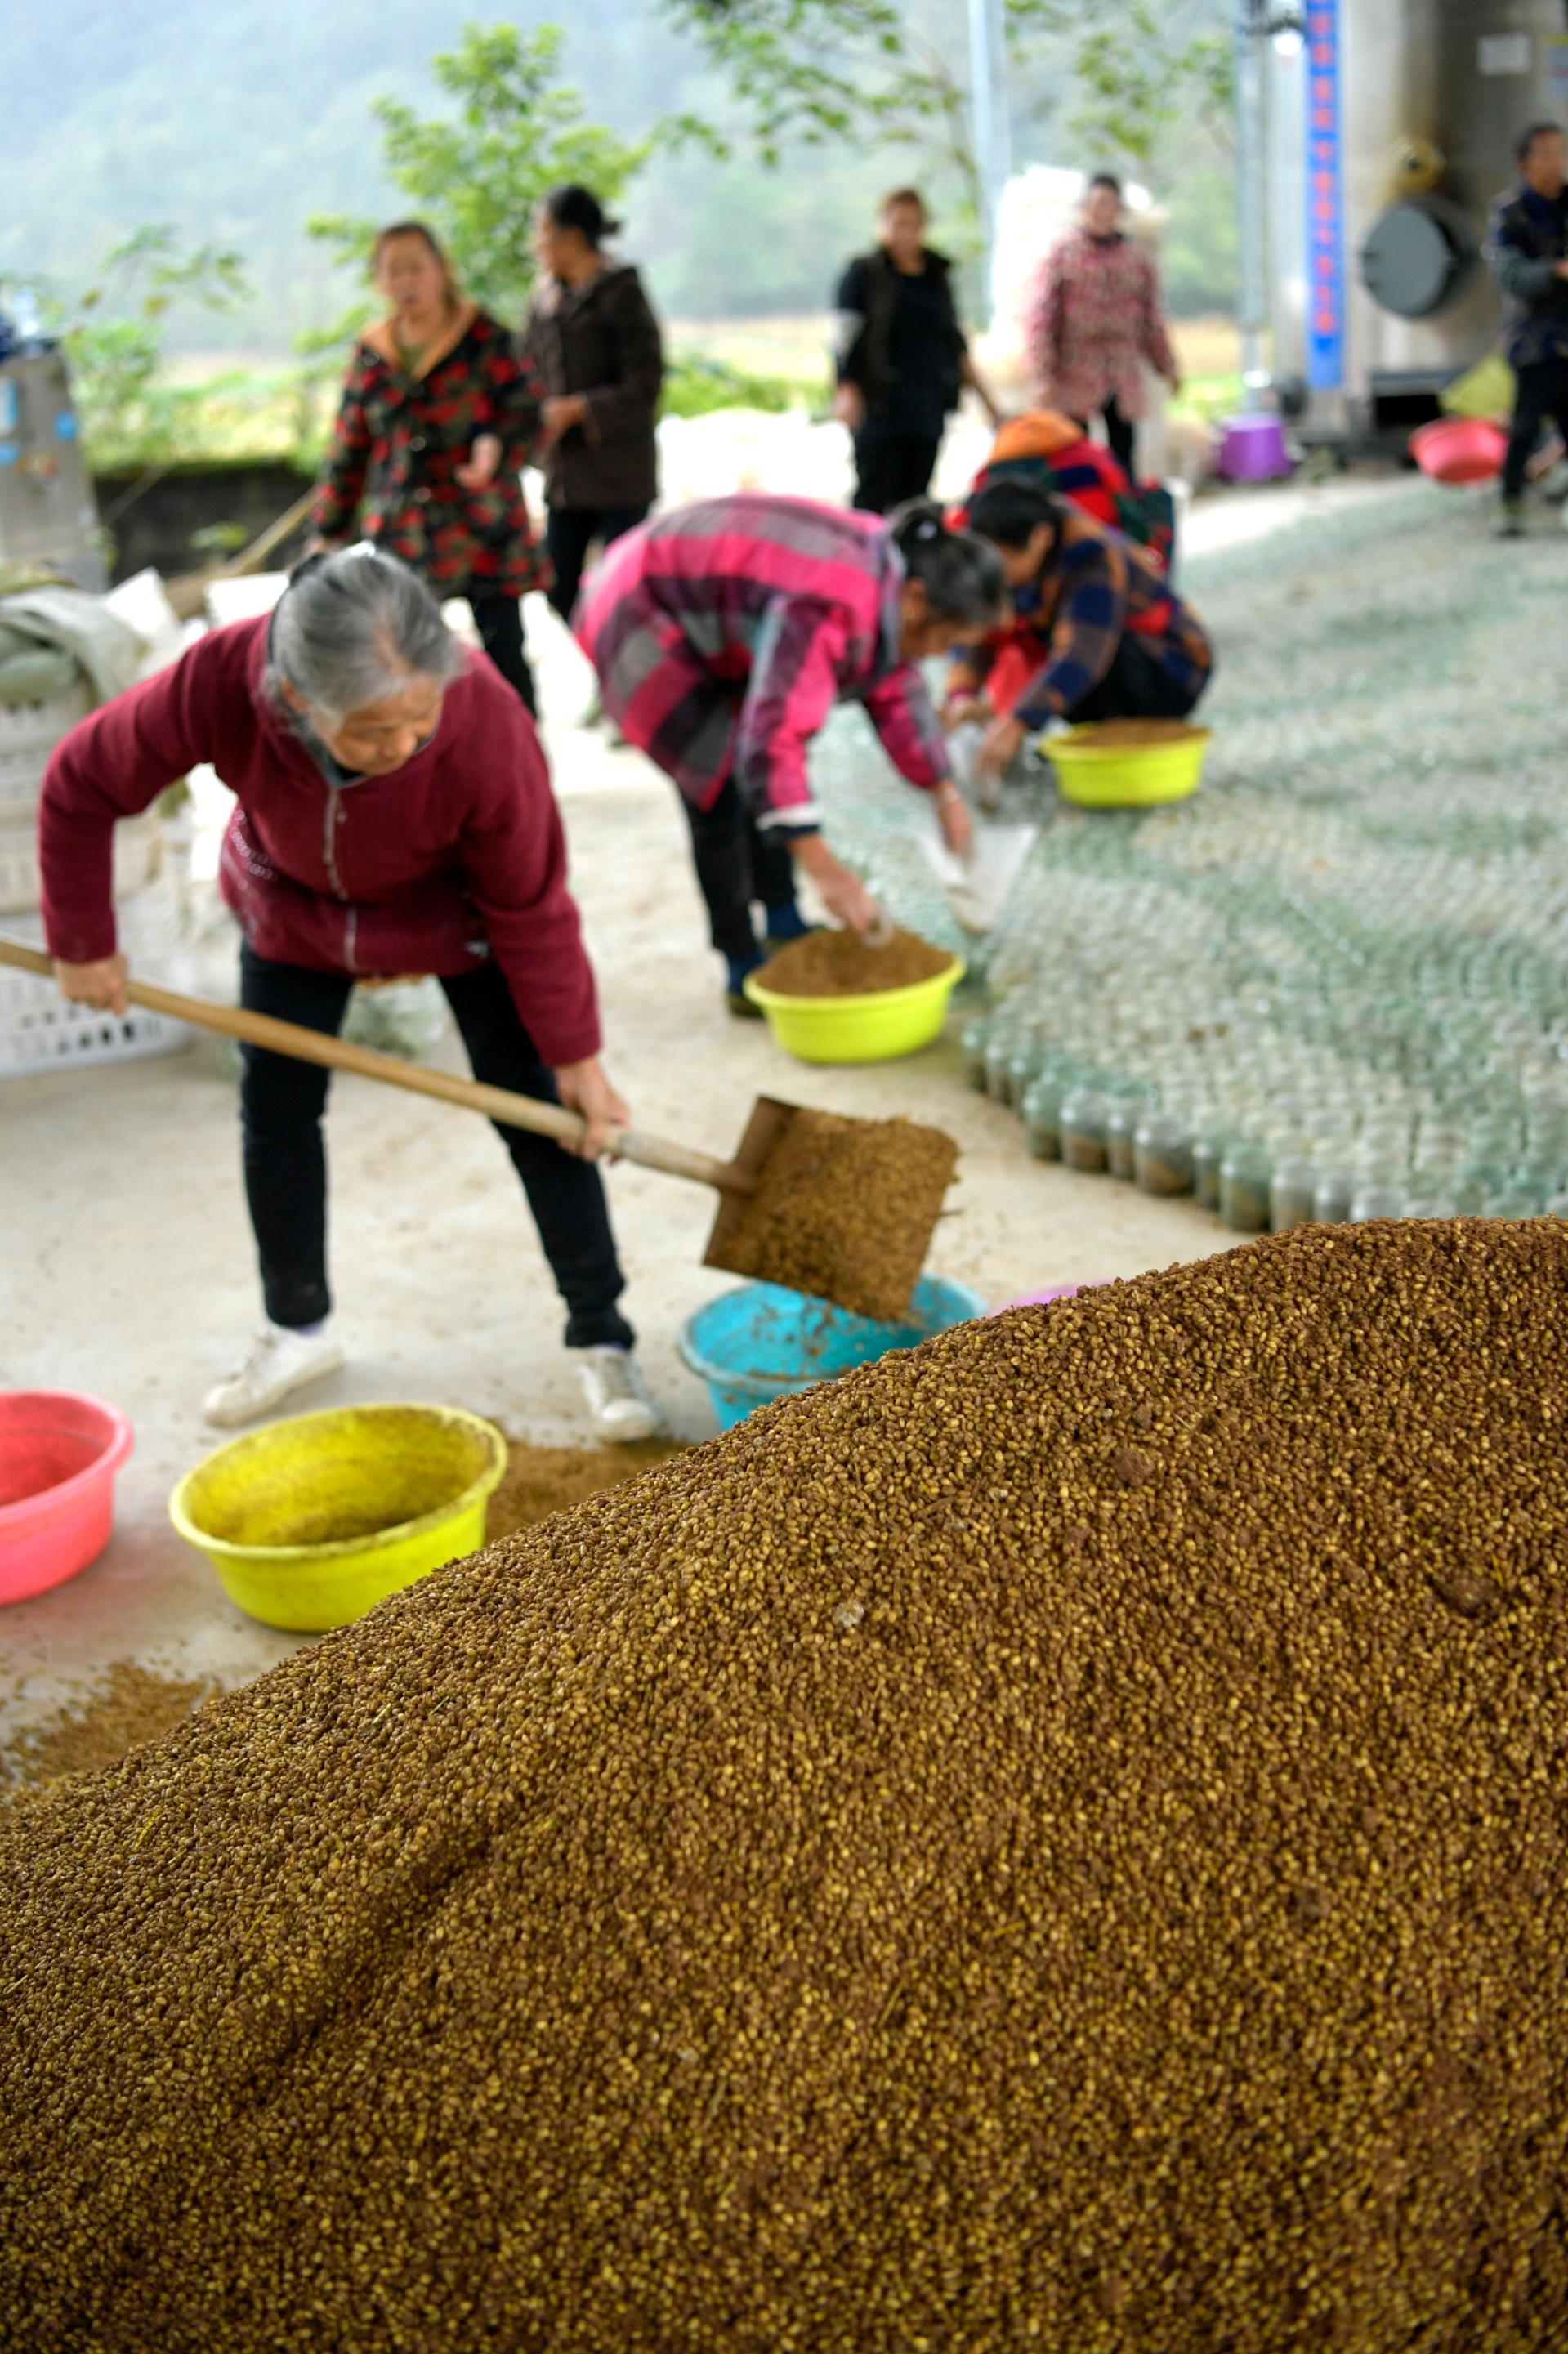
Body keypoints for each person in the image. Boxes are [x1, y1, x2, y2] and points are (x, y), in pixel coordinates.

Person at [37, 547, 660, 1441]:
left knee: (542, 1114)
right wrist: (83, 941)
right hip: (289, 909)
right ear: (294, 698)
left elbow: (530, 905)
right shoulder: (221, 677)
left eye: (420, 718)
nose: (404, 744)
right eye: (373, 732)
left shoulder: (484, 719)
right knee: (278, 1114)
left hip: (456, 918)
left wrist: (578, 1056)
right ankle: (295, 1327)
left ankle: (602, 1334)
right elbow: (83, 781)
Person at [574, 494, 1003, 1011]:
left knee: (764, 778)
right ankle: (739, 962)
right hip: (642, 608)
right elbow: (774, 740)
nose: (940, 654)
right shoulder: (833, 604)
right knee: (718, 786)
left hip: (712, 615)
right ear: (915, 597)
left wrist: (944, 791)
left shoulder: (890, 586)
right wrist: (826, 870)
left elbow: (895, 689)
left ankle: (782, 921)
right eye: (947, 638)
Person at [310, 221, 547, 714]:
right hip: (404, 535)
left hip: (482, 528)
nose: (406, 282)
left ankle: (523, 763)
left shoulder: (485, 338)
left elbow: (526, 412)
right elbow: (349, 447)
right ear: (378, 281)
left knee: (505, 658)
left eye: (416, 268)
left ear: (441, 270)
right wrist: (327, 530)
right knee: (410, 666)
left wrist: (496, 445)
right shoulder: (373, 354)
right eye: (393, 272)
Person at [954, 479, 1213, 791]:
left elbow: (1082, 653)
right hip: (1118, 664)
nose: (999, 574)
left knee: (1073, 651)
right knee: (1033, 642)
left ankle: (1120, 734)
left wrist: (1017, 723)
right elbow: (981, 626)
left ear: (1040, 538)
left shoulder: (1093, 554)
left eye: (1004, 561)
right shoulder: (1025, 558)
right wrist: (962, 694)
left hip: (1171, 672)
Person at [523, 185, 665, 627]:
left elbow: (645, 385)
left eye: (543, 232)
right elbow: (524, 371)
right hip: (566, 474)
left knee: (626, 590)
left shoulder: (621, 294)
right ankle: (608, 662)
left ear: (572, 238)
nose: (537, 244)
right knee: (558, 585)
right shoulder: (544, 300)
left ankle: (632, 679)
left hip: (621, 473)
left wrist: (579, 410)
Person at [833, 189, 1003, 516]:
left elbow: (954, 341)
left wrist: (987, 400)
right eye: (898, 224)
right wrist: (847, 387)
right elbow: (844, 338)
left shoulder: (936, 274)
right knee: (874, 495)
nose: (906, 234)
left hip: (927, 404)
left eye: (914, 225)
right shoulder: (864, 274)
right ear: (882, 225)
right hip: (880, 404)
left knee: (917, 499)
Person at [1025, 174, 1181, 478]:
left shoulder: (1135, 258)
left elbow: (1151, 319)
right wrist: (1042, 375)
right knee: (1076, 455)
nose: (1102, 212)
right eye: (1096, 204)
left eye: (1109, 205)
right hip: (1075, 371)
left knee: (1123, 457)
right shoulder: (1063, 253)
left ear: (1119, 211)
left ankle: (1121, 517)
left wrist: (1167, 366)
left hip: (1121, 372)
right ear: (1085, 208)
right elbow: (1042, 317)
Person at [1487, 120, 1568, 537]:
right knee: (1525, 428)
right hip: (1534, 343)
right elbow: (1511, 275)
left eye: (1562, 152)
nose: (1558, 163)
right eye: (1548, 154)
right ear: (1525, 163)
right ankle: (1510, 505)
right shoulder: (1509, 212)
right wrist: (1555, 271)